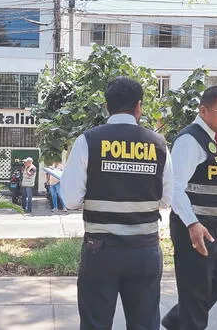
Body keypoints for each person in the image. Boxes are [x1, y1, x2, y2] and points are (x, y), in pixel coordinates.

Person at [61, 76, 173, 329]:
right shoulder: (158, 144)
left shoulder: (88, 141)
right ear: (139, 106)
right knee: (144, 323)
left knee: (95, 324)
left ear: (106, 106)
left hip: (100, 252)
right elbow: (167, 199)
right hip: (144, 251)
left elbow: (69, 200)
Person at [162, 86, 217, 330]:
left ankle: (176, 321)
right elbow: (174, 187)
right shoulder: (190, 140)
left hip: (216, 227)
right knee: (196, 290)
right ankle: (184, 323)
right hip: (195, 228)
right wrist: (192, 224)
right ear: (203, 110)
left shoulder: (215, 139)